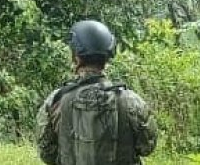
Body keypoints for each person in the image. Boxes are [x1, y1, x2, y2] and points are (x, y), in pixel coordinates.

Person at [36, 20, 158, 165]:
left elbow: (46, 154)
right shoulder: (132, 102)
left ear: (76, 58)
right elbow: (147, 147)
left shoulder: (56, 101)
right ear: (106, 59)